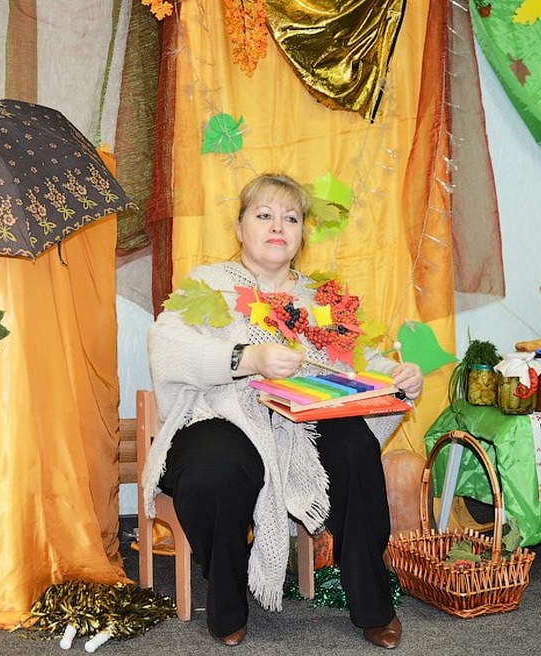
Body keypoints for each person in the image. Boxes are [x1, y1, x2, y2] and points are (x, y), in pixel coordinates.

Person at [141, 173, 424, 648]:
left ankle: (373, 604)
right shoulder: (208, 284)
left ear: (301, 234)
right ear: (240, 227)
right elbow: (166, 347)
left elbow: (360, 361)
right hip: (222, 413)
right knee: (216, 467)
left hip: (303, 423)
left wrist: (399, 376)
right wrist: (246, 358)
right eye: (264, 215)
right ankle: (227, 604)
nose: (278, 226)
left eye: (290, 218)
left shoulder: (323, 299)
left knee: (354, 447)